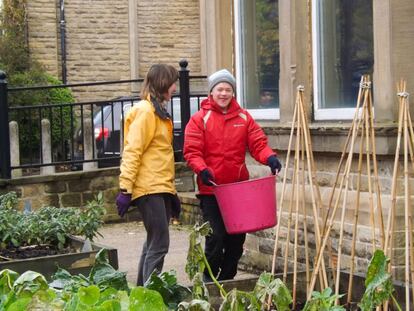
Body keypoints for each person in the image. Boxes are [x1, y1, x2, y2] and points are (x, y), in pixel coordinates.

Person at [183, 69, 281, 282]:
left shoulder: (244, 118)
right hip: (212, 190)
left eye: (228, 89)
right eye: (220, 89)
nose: (224, 93)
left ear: (233, 93)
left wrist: (270, 158)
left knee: (236, 241)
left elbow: (258, 144)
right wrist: (202, 169)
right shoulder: (200, 119)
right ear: (211, 92)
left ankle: (227, 280)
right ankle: (209, 280)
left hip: (238, 191)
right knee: (216, 237)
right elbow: (192, 151)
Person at [115, 64, 181, 286]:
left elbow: (159, 157)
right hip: (148, 188)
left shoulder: (159, 112)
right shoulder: (146, 112)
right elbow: (132, 151)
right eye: (173, 83)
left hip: (158, 186)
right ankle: (149, 295)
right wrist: (125, 189)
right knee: (160, 243)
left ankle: (142, 294)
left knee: (153, 242)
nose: (175, 88)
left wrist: (171, 193)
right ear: (163, 83)